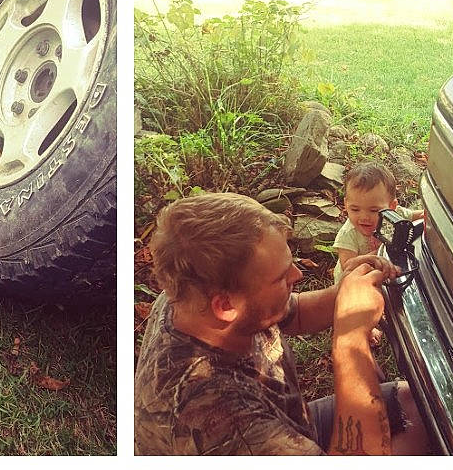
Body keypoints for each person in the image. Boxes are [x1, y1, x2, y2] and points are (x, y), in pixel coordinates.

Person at [134, 192, 431, 455]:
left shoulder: (194, 293)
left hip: (294, 424)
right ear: (225, 306)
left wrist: (346, 290)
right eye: (280, 277)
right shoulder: (216, 419)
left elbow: (296, 312)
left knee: (419, 407)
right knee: (421, 446)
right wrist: (350, 338)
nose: (297, 276)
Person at [332, 161, 424, 283]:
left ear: (391, 207)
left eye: (374, 210)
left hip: (385, 274)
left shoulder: (396, 216)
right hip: (354, 285)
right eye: (355, 209)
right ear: (346, 205)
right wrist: (376, 256)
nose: (364, 217)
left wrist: (427, 214)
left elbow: (417, 216)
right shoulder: (348, 234)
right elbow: (347, 265)